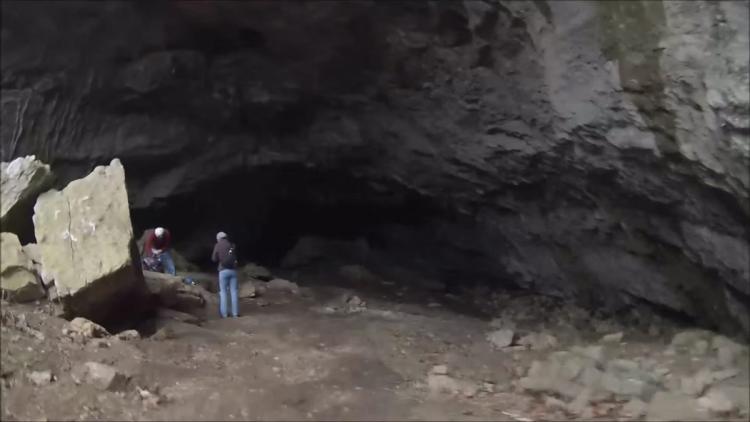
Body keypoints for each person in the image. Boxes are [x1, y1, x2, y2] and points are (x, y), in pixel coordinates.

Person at [211, 231, 239, 318]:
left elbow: (214, 258)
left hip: (223, 271)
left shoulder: (218, 245)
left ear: (218, 238)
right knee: (234, 292)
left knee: (223, 292)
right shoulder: (231, 245)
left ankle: (225, 314)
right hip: (233, 271)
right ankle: (235, 314)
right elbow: (234, 257)